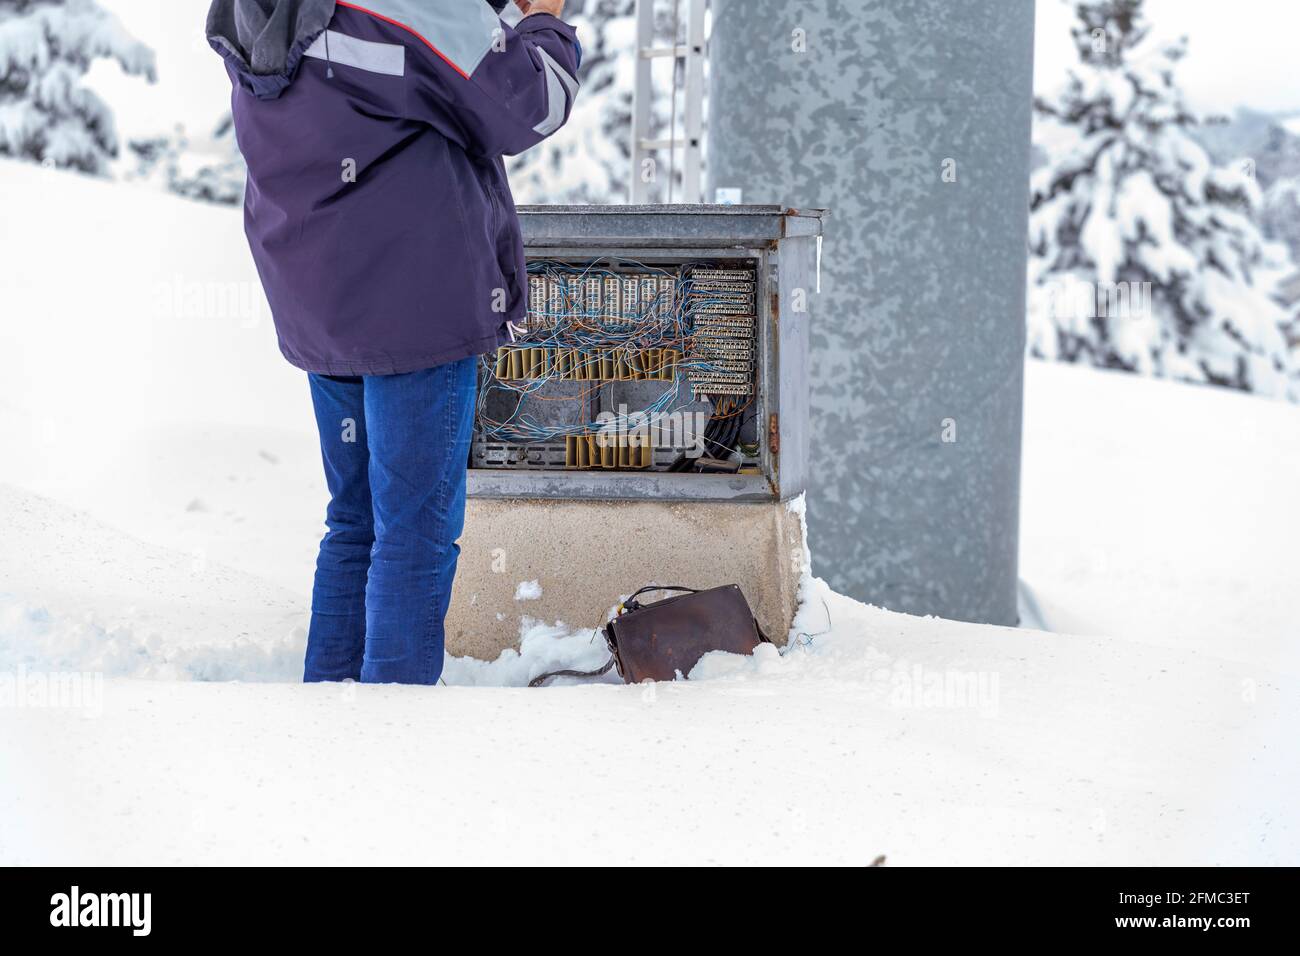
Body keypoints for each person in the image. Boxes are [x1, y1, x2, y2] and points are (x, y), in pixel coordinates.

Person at [205, 0, 579, 684]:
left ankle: (335, 723)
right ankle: (391, 749)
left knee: (357, 521)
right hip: (415, 297)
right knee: (414, 533)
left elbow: (400, 73)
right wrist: (545, 20)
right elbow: (532, 103)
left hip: (320, 291)